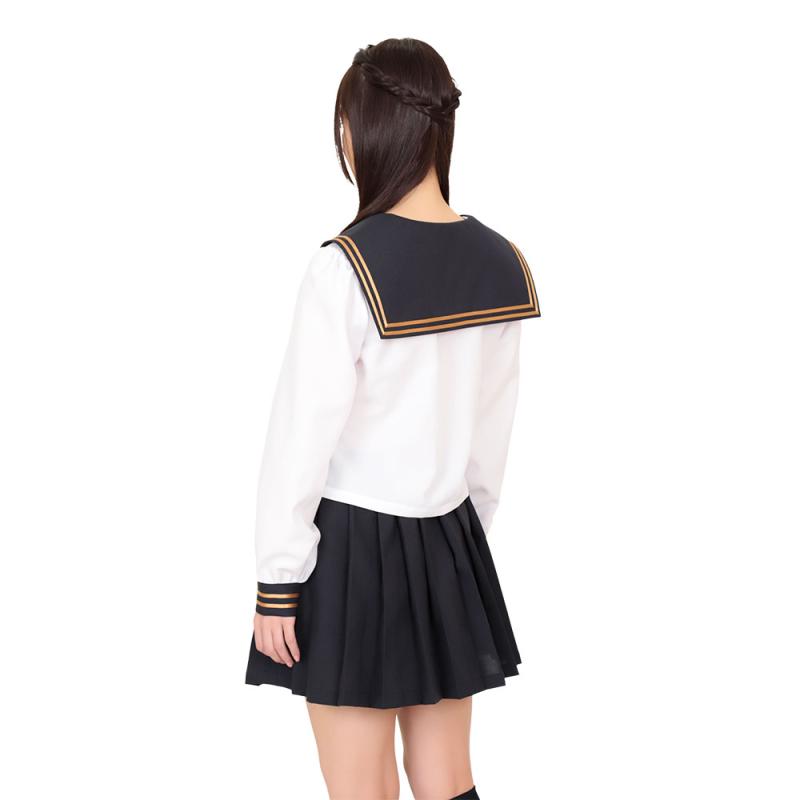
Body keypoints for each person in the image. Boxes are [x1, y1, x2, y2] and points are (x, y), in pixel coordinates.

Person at [245, 37, 540, 800]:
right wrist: (459, 548)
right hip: (450, 540)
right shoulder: (501, 261)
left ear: (365, 130)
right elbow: (490, 441)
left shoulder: (345, 267)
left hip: (351, 552)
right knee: (448, 778)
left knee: (361, 787)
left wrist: (279, 578)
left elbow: (300, 438)